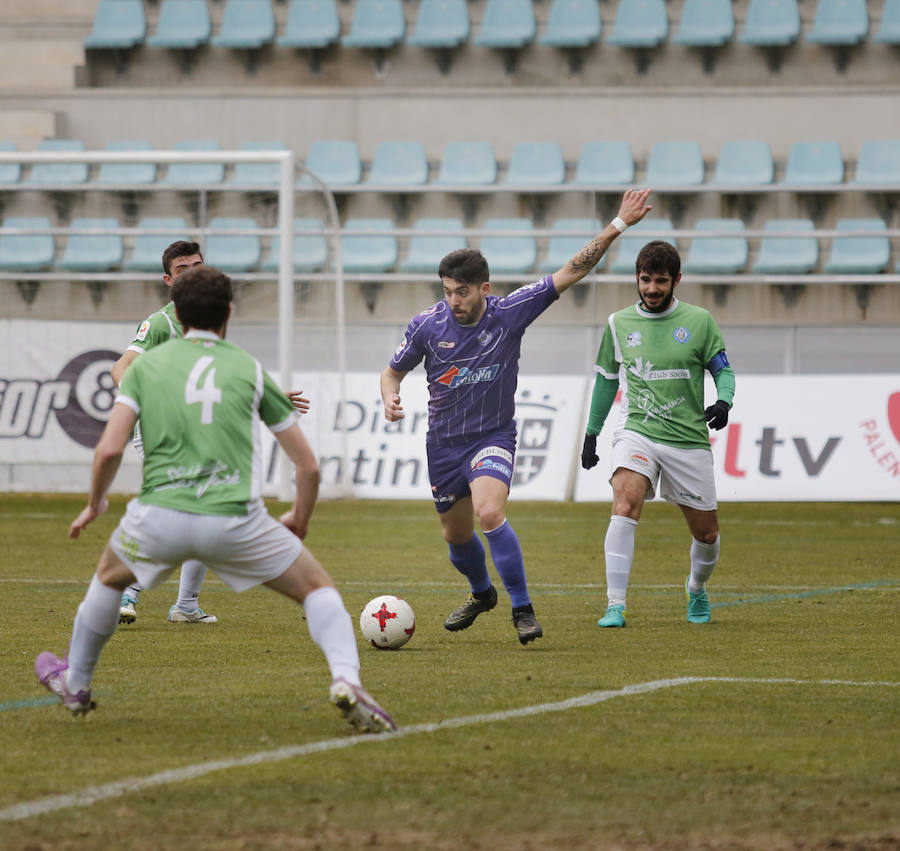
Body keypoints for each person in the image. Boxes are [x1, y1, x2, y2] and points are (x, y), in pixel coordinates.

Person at [35, 266, 394, 733]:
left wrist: (96, 503)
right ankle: (348, 680)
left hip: (159, 517)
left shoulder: (144, 368)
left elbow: (109, 449)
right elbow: (307, 467)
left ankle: (77, 684)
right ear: (228, 313)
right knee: (318, 590)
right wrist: (299, 519)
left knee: (107, 580)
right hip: (236, 521)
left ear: (177, 316)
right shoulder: (247, 368)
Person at [381, 189, 653, 645]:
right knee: (456, 538)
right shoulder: (427, 325)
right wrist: (390, 397)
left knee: (490, 512)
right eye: (447, 291)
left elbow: (572, 270)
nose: (453, 301)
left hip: (492, 436)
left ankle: (521, 608)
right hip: (442, 445)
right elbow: (391, 374)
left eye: (462, 292)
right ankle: (481, 593)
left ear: (484, 288)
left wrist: (619, 225)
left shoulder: (509, 314)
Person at [110, 240, 308, 625]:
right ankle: (129, 591)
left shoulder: (204, 320)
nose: (193, 272)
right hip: (160, 430)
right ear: (168, 279)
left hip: (196, 429)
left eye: (198, 265)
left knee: (202, 509)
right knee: (181, 506)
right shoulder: (162, 323)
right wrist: (146, 400)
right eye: (183, 270)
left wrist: (267, 394)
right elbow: (122, 367)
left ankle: (185, 605)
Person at [580, 239, 735, 628]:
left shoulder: (700, 321)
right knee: (625, 503)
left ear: (676, 280)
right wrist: (592, 433)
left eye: (661, 281)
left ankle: (696, 587)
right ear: (637, 278)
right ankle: (615, 605)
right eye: (645, 280)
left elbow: (723, 370)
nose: (651, 289)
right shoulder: (619, 324)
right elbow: (605, 382)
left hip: (688, 438)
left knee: (708, 534)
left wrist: (724, 401)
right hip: (638, 431)